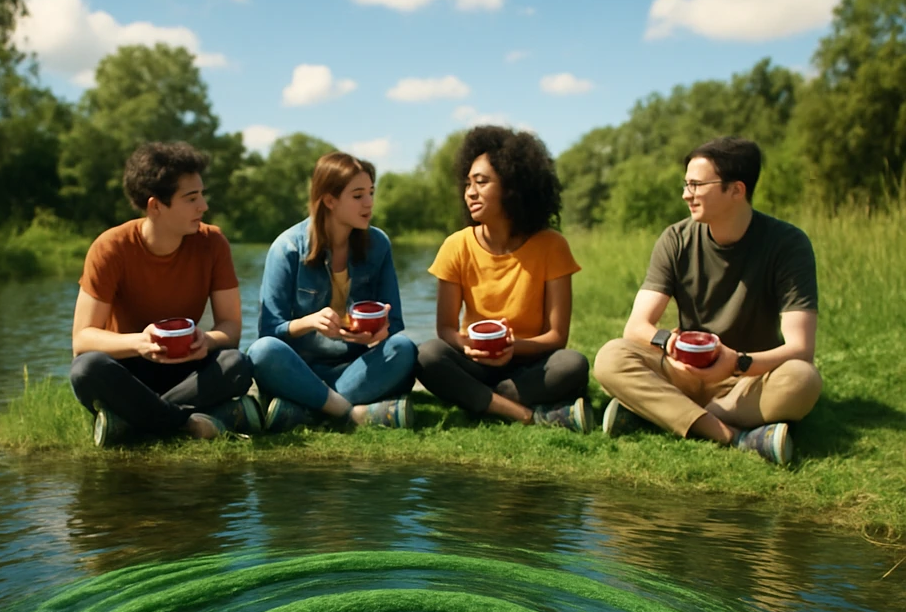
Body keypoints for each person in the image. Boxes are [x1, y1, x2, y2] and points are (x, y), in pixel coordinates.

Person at [594, 136, 822, 466]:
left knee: (803, 379)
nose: (686, 194)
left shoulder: (788, 244)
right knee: (610, 357)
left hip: (749, 378)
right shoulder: (675, 239)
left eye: (697, 185)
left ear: (736, 190)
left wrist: (737, 362)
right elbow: (636, 326)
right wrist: (668, 342)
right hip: (683, 371)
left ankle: (663, 413)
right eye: (686, 184)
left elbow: (801, 348)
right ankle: (732, 435)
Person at [69, 141, 258, 447]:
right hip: (129, 368)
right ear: (155, 206)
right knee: (87, 369)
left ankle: (132, 420)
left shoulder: (213, 243)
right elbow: (83, 339)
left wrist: (207, 341)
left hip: (185, 369)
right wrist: (139, 343)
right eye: (191, 198)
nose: (203, 206)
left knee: (236, 363)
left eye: (202, 195)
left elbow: (231, 328)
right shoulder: (110, 247)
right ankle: (185, 423)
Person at [414, 126, 592, 432]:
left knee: (572, 364)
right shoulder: (456, 245)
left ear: (512, 187)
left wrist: (513, 347)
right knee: (426, 356)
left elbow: (556, 336)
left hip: (529, 363)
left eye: (481, 182)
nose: (470, 192)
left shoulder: (552, 245)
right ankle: (522, 412)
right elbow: (446, 329)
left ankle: (481, 400)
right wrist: (468, 346)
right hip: (474, 361)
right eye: (468, 183)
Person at [248, 152, 416, 432]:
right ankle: (350, 412)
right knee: (262, 352)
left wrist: (379, 333)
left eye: (371, 193)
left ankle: (308, 408)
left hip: (354, 367)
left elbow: (394, 324)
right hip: (299, 368)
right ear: (329, 200)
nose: (369, 203)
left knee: (403, 349)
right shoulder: (287, 248)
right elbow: (269, 330)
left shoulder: (378, 244)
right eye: (358, 195)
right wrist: (309, 322)